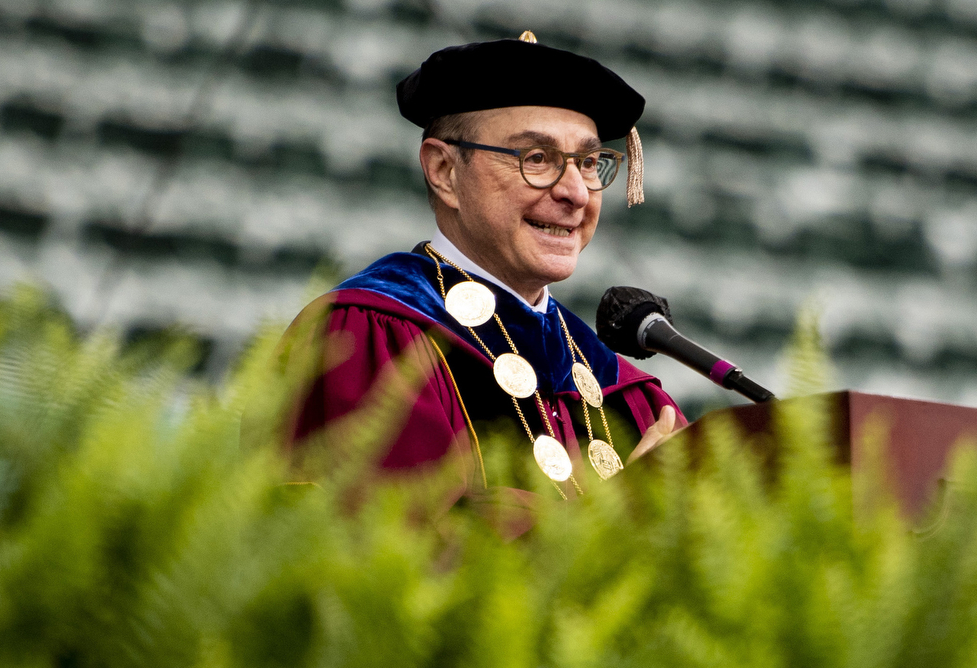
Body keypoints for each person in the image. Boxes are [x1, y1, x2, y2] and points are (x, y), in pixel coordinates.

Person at [281, 33, 685, 522]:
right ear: (444, 170)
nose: (577, 193)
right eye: (537, 159)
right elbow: (390, 554)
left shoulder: (635, 397)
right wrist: (608, 521)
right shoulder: (369, 337)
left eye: (587, 162)